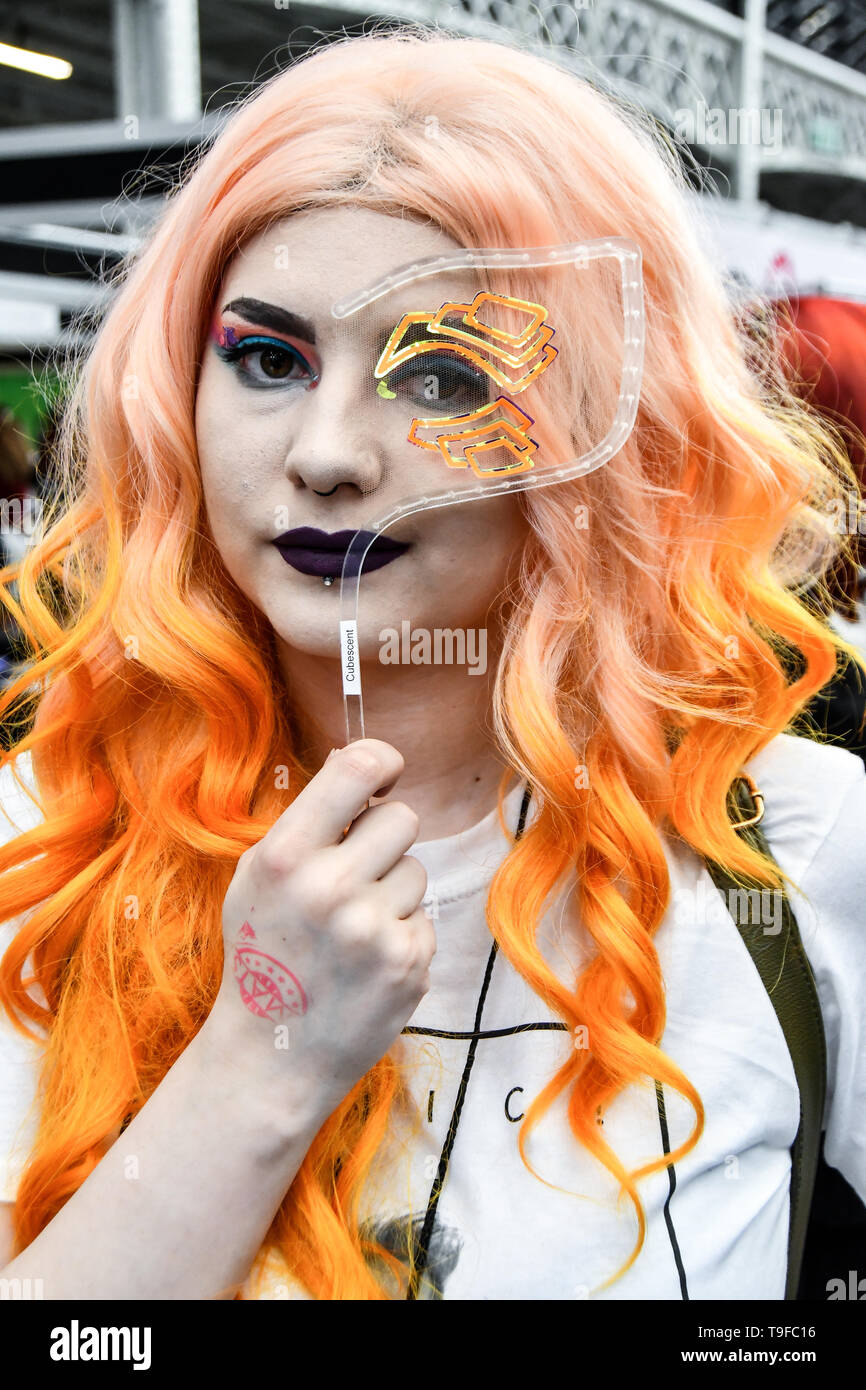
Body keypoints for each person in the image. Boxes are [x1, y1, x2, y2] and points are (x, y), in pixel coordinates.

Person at [0, 25, 864, 1302]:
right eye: (267, 359)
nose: (329, 453)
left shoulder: (792, 854)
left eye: (446, 374)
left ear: (602, 428)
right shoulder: (40, 850)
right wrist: (267, 1051)